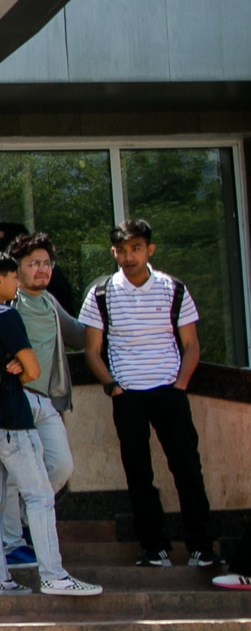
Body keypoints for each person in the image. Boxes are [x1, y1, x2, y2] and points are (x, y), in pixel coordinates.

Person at [0, 251, 103, 600]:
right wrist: (21, 367)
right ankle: (54, 575)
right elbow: (34, 371)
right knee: (39, 496)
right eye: (12, 277)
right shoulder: (4, 316)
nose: (16, 284)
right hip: (10, 419)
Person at [80, 218, 219, 570]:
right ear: (113, 252)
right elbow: (92, 350)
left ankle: (202, 548)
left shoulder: (173, 289)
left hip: (169, 389)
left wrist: (180, 385)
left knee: (187, 468)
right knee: (139, 472)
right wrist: (114, 387)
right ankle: (154, 549)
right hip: (128, 395)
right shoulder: (101, 293)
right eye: (122, 250)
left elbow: (190, 344)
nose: (129, 257)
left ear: (149, 249)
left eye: (136, 249)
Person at [0, 232, 81, 569]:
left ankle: (27, 523)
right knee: (15, 476)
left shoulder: (48, 301)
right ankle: (12, 544)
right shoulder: (8, 300)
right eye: (34, 263)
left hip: (46, 401)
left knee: (61, 465)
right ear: (17, 269)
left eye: (46, 263)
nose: (42, 269)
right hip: (14, 399)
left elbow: (77, 332)